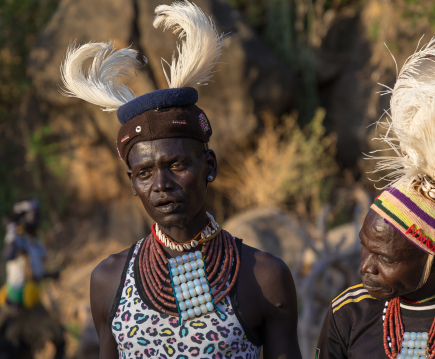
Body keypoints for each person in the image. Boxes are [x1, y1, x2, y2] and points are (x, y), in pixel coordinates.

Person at [60, 2, 301, 358]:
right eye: (144, 172)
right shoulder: (109, 280)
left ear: (210, 166)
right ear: (132, 183)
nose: (161, 184)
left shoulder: (263, 278)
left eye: (176, 165)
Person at [316, 38, 435, 359]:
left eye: (386, 258)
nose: (366, 267)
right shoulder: (349, 314)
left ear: (429, 256)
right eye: (365, 248)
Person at [0, 199, 65, 359]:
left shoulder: (34, 240)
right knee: (12, 341)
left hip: (31, 297)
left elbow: (36, 271)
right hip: (17, 299)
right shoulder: (16, 237)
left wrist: (51, 275)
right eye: (34, 216)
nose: (37, 220)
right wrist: (14, 237)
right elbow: (8, 254)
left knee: (55, 337)